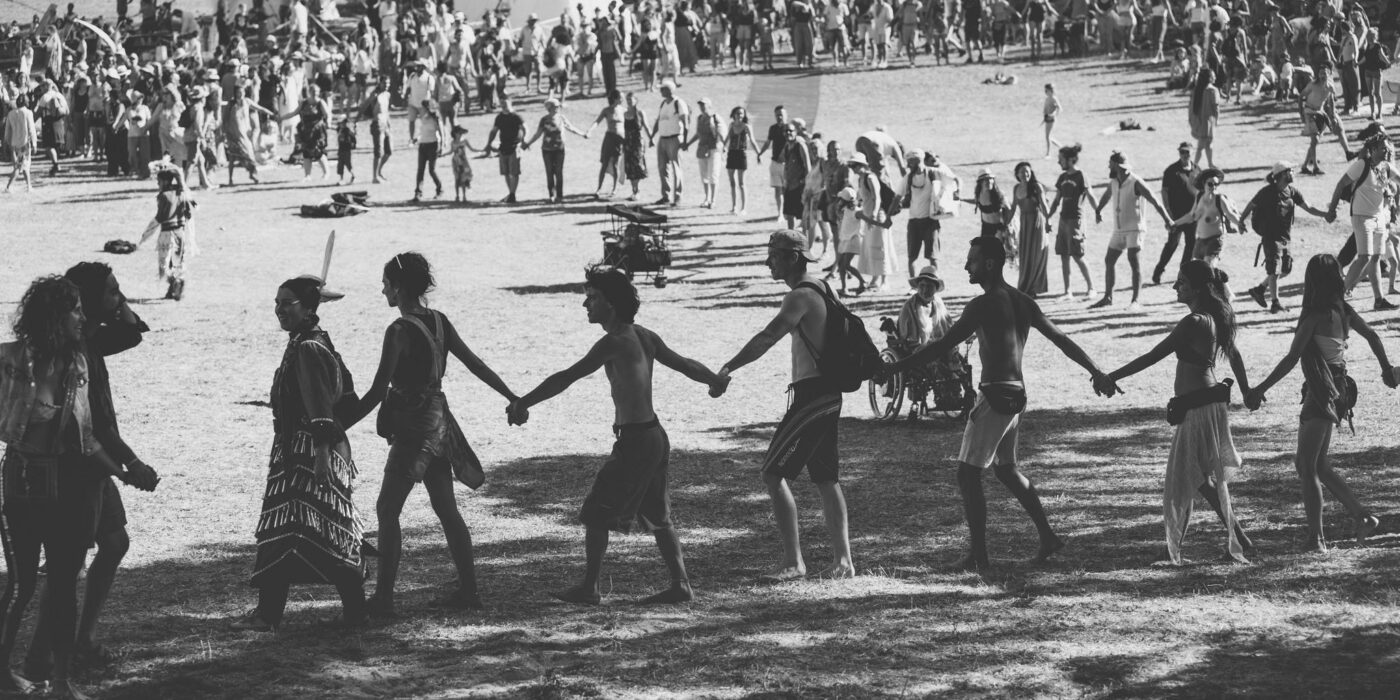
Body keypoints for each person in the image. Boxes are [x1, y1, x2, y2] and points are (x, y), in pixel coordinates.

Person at [888, 237, 1117, 570]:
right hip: (1017, 395)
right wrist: (1096, 371)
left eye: (972, 261)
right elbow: (1061, 339)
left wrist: (894, 368)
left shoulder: (981, 305)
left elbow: (942, 345)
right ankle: (1047, 537)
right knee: (1007, 470)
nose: (966, 266)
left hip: (995, 396)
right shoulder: (1023, 301)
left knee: (967, 475)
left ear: (989, 264)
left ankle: (978, 557)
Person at [506, 267, 727, 605]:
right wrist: (714, 380)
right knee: (658, 516)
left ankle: (590, 588)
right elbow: (685, 364)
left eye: (592, 298)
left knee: (596, 512)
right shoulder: (644, 336)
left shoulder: (613, 342)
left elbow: (566, 377)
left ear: (611, 302)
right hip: (654, 436)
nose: (585, 304)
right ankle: (680, 585)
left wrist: (523, 402)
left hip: (636, 440)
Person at [345, 253, 519, 614]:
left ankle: (384, 598)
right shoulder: (439, 321)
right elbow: (475, 364)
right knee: (446, 509)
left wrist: (337, 427)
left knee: (387, 508)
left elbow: (377, 391)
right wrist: (511, 396)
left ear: (398, 287)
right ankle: (469, 591)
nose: (382, 291)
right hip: (440, 423)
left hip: (414, 427)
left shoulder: (399, 330)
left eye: (385, 284)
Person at [22, 264, 159, 685]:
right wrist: (131, 464)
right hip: (79, 465)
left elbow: (133, 331)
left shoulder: (93, 337)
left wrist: (112, 298)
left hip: (93, 461)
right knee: (66, 564)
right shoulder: (76, 349)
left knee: (113, 543)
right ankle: (42, 657)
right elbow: (94, 425)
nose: (120, 298)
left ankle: (80, 640)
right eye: (112, 291)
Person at [0, 276, 136, 700]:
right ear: (54, 316)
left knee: (61, 586)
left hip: (66, 488)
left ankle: (60, 682)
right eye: (74, 309)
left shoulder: (78, 363)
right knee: (21, 586)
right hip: (22, 483)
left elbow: (86, 436)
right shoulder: (7, 360)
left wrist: (124, 472)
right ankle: (2, 674)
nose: (81, 316)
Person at [717, 230, 856, 581]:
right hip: (829, 394)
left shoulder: (799, 297)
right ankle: (843, 562)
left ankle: (794, 562)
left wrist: (728, 367)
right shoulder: (825, 288)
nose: (768, 262)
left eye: (774, 255)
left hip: (813, 396)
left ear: (794, 258)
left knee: (772, 473)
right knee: (826, 478)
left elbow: (768, 337)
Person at [230, 276, 366, 632]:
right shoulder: (310, 341)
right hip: (301, 448)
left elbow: (320, 404)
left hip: (308, 452)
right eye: (276, 302)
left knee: (319, 529)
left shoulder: (308, 347)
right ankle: (273, 613)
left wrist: (320, 455)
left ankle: (275, 615)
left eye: (287, 303)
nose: (279, 309)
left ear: (307, 308)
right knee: (297, 529)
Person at [1104, 261, 1254, 565]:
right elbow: (1235, 354)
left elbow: (1153, 356)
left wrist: (1112, 377)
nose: (1175, 286)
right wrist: (1247, 391)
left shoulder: (1195, 322)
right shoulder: (1212, 318)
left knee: (1187, 476)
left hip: (1199, 406)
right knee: (1195, 477)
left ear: (1197, 288)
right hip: (1204, 404)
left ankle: (1216, 541)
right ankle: (1214, 540)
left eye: (1181, 282)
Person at [1246, 254, 1399, 551]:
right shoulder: (1344, 310)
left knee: (1306, 465)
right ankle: (1362, 516)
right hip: (1338, 387)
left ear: (1312, 282)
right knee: (1318, 464)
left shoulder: (1315, 316)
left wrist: (1259, 389)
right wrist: (1385, 370)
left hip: (1322, 390)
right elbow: (1373, 336)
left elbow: (1292, 357)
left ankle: (1316, 539)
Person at [1239, 162, 1328, 313]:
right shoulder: (1267, 192)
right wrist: (1241, 221)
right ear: (1282, 174)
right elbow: (1251, 205)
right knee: (1274, 270)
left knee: (1285, 269)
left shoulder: (1292, 192)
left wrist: (1325, 215)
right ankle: (1275, 303)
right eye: (1291, 170)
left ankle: (1259, 289)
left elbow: (1308, 207)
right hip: (1271, 237)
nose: (1293, 173)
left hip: (1285, 237)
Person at [1326, 134, 1400, 310]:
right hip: (1361, 216)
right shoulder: (1361, 165)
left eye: (1388, 148)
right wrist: (1332, 209)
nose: (1387, 151)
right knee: (1365, 257)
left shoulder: (1386, 167)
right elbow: (1341, 184)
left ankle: (1379, 300)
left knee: (1375, 258)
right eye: (1383, 148)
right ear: (1373, 150)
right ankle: (1337, 297)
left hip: (1379, 217)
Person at [1091, 151, 1172, 310]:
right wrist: (1098, 210)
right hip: (1118, 230)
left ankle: (1135, 301)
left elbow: (1155, 201)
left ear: (1117, 165)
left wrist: (1167, 220)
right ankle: (1108, 297)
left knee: (1133, 262)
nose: (1109, 167)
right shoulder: (1114, 182)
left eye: (1110, 164)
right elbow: (1107, 196)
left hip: (1135, 229)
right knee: (1109, 260)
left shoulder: (1135, 182)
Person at [1046, 144, 1095, 297]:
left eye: (1061, 159)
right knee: (1064, 255)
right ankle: (1067, 291)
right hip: (1063, 219)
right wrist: (1048, 217)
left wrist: (1098, 211)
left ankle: (1091, 288)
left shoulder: (1081, 176)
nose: (1058, 162)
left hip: (1076, 220)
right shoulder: (1063, 178)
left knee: (1077, 254)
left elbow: (1090, 195)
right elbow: (1056, 200)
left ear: (1070, 160)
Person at [1169, 167, 1243, 268]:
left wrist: (1240, 224)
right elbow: (1191, 216)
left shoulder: (1219, 199)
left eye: (1216, 184)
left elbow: (1230, 214)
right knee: (1198, 270)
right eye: (1210, 184)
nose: (1214, 187)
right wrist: (1175, 223)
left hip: (1215, 241)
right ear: (1204, 183)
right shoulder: (1199, 197)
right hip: (1200, 241)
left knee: (1208, 268)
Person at [523, 98, 588, 203]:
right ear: (549, 108)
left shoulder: (562, 118)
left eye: (558, 106)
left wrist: (582, 134)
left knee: (558, 172)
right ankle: (551, 195)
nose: (558, 108)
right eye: (555, 106)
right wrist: (528, 143)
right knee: (549, 172)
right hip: (547, 150)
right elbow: (538, 134)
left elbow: (571, 127)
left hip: (559, 149)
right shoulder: (544, 120)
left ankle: (560, 196)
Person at [1154, 142, 1200, 285]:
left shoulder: (1197, 170)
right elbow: (1165, 192)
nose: (1185, 155)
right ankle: (1159, 270)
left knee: (1191, 244)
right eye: (1182, 152)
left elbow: (1201, 190)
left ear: (1192, 152)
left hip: (1192, 216)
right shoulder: (1171, 170)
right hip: (1176, 216)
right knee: (1172, 244)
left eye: (1187, 152)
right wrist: (1168, 212)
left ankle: (1183, 274)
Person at [1298, 64, 1350, 176]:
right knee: (1315, 139)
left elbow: (1331, 102)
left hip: (1320, 113)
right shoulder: (1312, 85)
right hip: (1309, 112)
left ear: (1329, 74)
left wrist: (1332, 116)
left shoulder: (1330, 87)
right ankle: (1315, 167)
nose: (1322, 76)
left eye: (1324, 73)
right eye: (1320, 73)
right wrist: (1301, 113)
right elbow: (1301, 96)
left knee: (1315, 141)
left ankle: (1304, 166)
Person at [1009, 161, 1050, 296]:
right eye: (1022, 172)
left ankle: (1034, 288)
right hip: (1024, 223)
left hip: (1037, 222)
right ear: (1017, 174)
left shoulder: (1036, 186)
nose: (1025, 174)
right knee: (1026, 255)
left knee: (1036, 254)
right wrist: (1006, 224)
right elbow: (1013, 208)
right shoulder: (1016, 188)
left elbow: (1044, 205)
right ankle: (1025, 287)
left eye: (1027, 171)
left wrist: (1048, 221)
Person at [650, 79, 689, 207]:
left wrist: (685, 141)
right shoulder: (663, 104)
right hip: (663, 138)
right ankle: (665, 196)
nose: (661, 91)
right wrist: (652, 136)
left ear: (669, 90)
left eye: (663, 89)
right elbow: (658, 121)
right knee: (662, 168)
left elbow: (685, 122)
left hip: (674, 138)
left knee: (676, 168)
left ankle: (677, 197)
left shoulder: (678, 103)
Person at [484, 96, 528, 204]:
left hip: (515, 147)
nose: (503, 105)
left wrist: (524, 140)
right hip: (503, 147)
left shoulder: (516, 116)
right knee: (506, 172)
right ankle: (511, 194)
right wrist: (489, 144)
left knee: (514, 172)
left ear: (510, 103)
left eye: (505, 103)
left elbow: (525, 128)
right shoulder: (499, 117)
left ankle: (512, 194)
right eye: (502, 103)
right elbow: (494, 131)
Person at [903, 148, 939, 277]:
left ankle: (935, 280)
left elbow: (948, 182)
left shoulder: (932, 173)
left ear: (918, 160)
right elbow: (898, 196)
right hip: (914, 221)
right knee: (912, 257)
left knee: (933, 256)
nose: (909, 165)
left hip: (930, 220)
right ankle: (913, 284)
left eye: (911, 161)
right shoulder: (909, 177)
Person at [683, 96, 722, 209]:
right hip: (702, 148)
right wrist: (688, 143)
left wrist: (722, 146)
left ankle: (713, 200)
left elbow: (721, 134)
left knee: (713, 174)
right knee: (704, 175)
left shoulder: (715, 117)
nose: (702, 107)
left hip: (713, 148)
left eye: (703, 105)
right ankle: (707, 198)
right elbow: (698, 134)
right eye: (700, 105)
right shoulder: (699, 118)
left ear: (709, 105)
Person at [586, 90, 626, 198]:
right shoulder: (607, 110)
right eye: (621, 97)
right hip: (609, 138)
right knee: (604, 164)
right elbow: (597, 122)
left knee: (615, 165)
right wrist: (590, 131)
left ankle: (614, 188)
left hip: (619, 140)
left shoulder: (623, 110)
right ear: (615, 98)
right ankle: (599, 188)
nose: (623, 99)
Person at [723, 105, 760, 215]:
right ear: (734, 114)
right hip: (731, 154)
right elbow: (727, 138)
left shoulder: (746, 126)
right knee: (732, 182)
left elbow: (752, 140)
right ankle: (734, 207)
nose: (739, 115)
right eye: (737, 113)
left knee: (741, 183)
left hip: (741, 154)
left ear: (744, 115)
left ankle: (743, 208)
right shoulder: (731, 125)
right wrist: (723, 147)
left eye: (741, 113)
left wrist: (759, 153)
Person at [757, 106, 790, 221]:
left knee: (787, 190)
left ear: (786, 115)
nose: (779, 117)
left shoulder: (789, 129)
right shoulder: (773, 128)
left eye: (781, 114)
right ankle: (780, 213)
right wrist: (760, 153)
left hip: (787, 164)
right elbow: (768, 143)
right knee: (778, 189)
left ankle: (787, 212)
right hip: (775, 162)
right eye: (777, 115)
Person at [620, 92, 651, 201]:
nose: (629, 101)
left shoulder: (640, 113)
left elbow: (646, 127)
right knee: (629, 166)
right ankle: (634, 190)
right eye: (627, 100)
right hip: (627, 142)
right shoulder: (624, 114)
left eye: (631, 99)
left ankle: (637, 190)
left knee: (638, 165)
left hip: (638, 142)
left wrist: (651, 138)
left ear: (636, 100)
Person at [3, 93, 36, 192]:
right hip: (24, 143)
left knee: (24, 165)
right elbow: (31, 129)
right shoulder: (28, 113)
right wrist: (34, 143)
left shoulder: (11, 114)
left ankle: (29, 185)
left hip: (14, 143)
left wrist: (7, 142)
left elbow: (7, 131)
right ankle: (9, 186)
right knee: (20, 166)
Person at [1188, 67, 1220, 170]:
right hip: (1209, 121)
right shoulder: (1212, 90)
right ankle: (1194, 165)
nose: (1215, 77)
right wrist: (1217, 119)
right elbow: (1216, 107)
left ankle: (1210, 163)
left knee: (1207, 144)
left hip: (1200, 121)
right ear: (1209, 78)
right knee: (1202, 145)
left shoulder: (1197, 89)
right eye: (1213, 76)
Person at [449, 125, 479, 202]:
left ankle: (464, 196)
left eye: (461, 133)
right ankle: (457, 196)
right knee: (457, 178)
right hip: (456, 162)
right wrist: (442, 154)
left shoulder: (464, 141)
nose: (460, 135)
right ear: (455, 133)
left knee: (464, 178)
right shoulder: (452, 142)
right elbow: (451, 151)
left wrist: (480, 150)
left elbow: (472, 149)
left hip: (463, 162)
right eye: (459, 133)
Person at [336, 118, 357, 186]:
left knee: (348, 164)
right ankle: (341, 179)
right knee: (340, 165)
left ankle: (353, 176)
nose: (342, 124)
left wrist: (352, 145)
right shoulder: (340, 130)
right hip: (341, 150)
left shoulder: (347, 131)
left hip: (346, 150)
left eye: (343, 123)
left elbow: (353, 138)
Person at [1042, 83, 1061, 158]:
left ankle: (1048, 154)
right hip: (1047, 118)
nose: (1046, 92)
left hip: (1051, 119)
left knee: (1047, 136)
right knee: (1048, 136)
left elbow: (1059, 108)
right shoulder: (1047, 99)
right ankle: (1060, 146)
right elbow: (1045, 109)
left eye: (1047, 90)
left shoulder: (1054, 98)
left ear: (1051, 90)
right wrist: (1045, 115)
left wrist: (1053, 115)